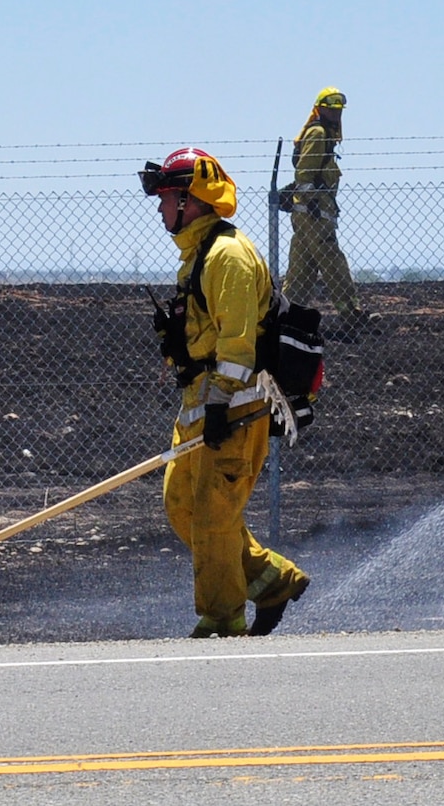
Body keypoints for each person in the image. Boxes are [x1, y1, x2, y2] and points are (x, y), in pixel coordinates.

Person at [141, 147, 312, 637]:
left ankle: (221, 619)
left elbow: (237, 347)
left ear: (190, 200)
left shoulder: (228, 257)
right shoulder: (199, 255)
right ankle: (272, 581)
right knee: (182, 504)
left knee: (214, 519)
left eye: (166, 198)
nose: (160, 208)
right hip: (200, 408)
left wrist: (219, 406)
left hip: (234, 410)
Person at [278, 87, 373, 333]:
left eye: (339, 110)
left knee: (301, 270)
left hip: (308, 215)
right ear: (320, 109)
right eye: (331, 109)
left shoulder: (324, 135)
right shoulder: (319, 134)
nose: (336, 114)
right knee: (333, 264)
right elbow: (304, 173)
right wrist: (311, 202)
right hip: (315, 215)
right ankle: (351, 315)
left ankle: (285, 319)